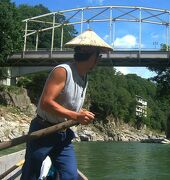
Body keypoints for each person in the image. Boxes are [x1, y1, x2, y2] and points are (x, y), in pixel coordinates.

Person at [21, 29, 113, 180]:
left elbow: (68, 104)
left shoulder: (84, 77)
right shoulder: (63, 71)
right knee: (31, 174)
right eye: (99, 55)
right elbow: (45, 103)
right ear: (90, 55)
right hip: (43, 131)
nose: (99, 59)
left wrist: (80, 112)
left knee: (70, 175)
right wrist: (76, 115)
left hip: (63, 135)